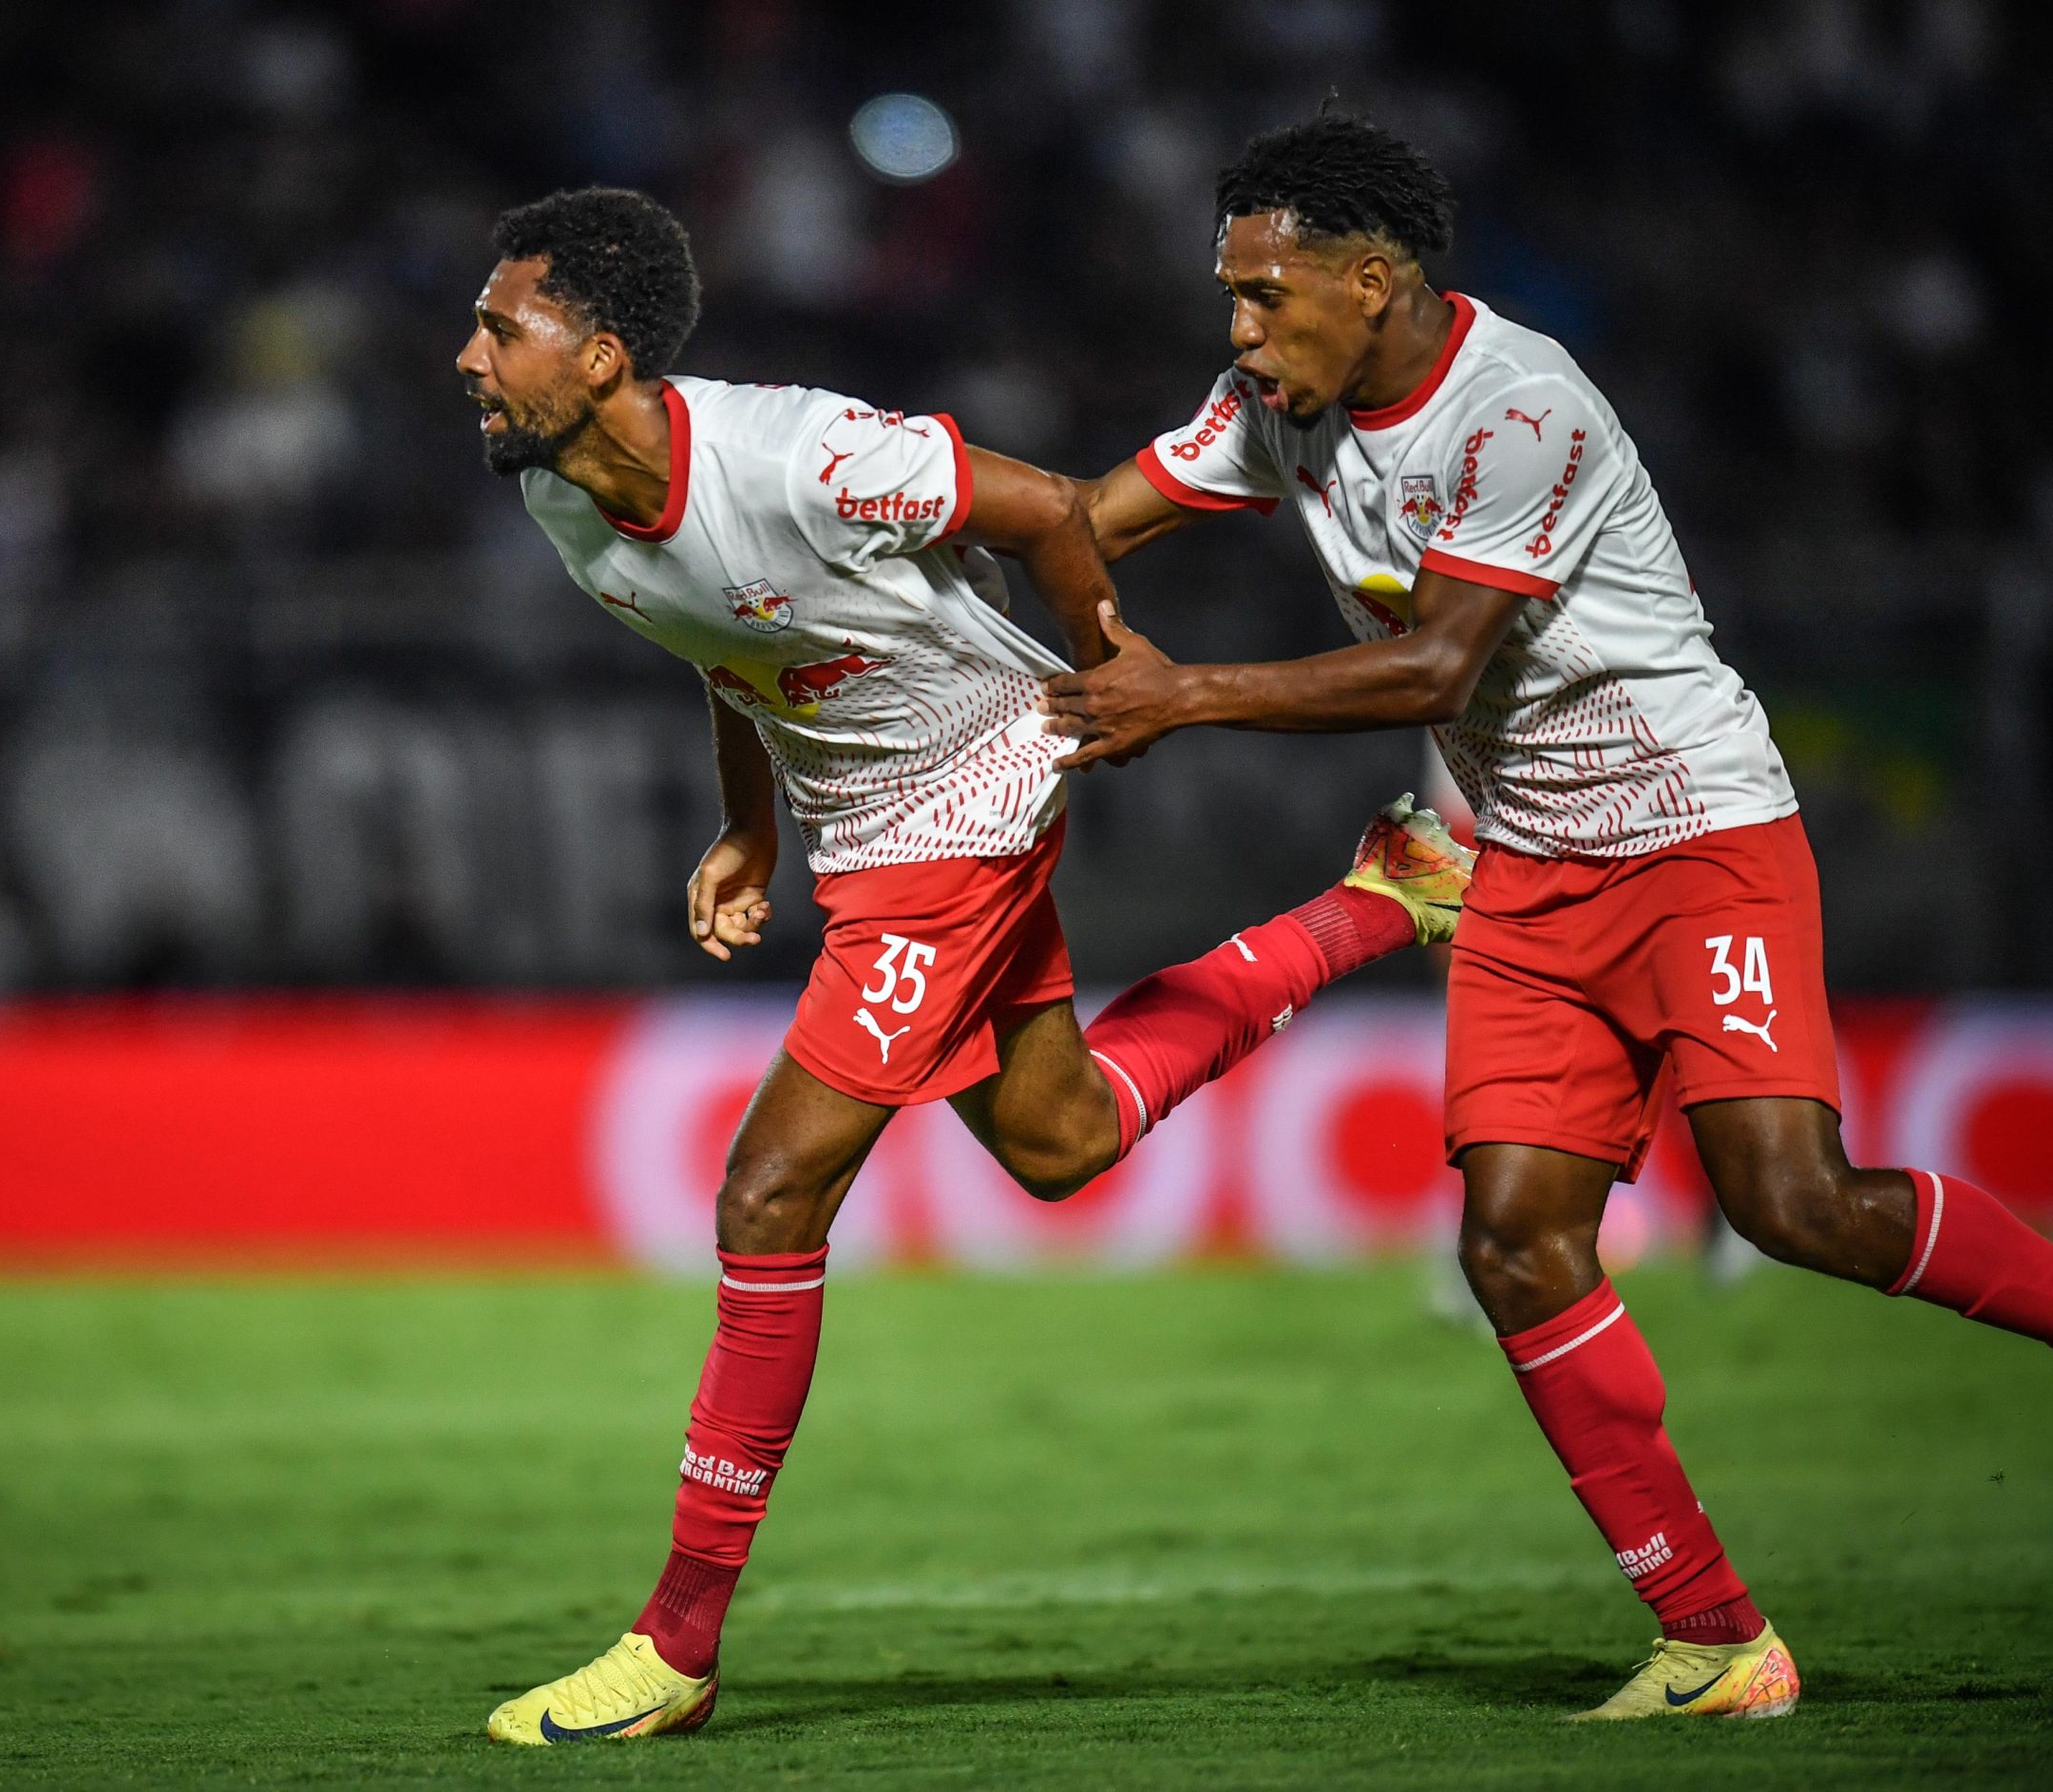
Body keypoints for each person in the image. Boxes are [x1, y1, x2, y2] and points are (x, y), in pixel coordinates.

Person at [1042, 114, 2053, 1723]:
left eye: (1263, 293)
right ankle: (1719, 1639)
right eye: (1229, 295)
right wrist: (893, 535)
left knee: (1790, 1200)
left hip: (1694, 837)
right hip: (1522, 864)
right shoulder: (1271, 405)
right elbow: (1084, 515)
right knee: (1515, 1240)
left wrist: (1189, 693)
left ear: (1370, 281)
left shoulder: (1523, 409)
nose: (1235, 329)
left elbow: (1437, 665)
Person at [457, 186, 1473, 1744]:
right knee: (1059, 1140)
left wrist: (1118, 669)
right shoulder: (563, 501)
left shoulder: (798, 449)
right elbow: (733, 642)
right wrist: (750, 834)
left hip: (977, 784)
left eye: (496, 327)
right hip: (859, 822)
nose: (466, 356)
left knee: (768, 1191)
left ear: (598, 355)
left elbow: (1055, 509)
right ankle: (1386, 893)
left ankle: (675, 1644)